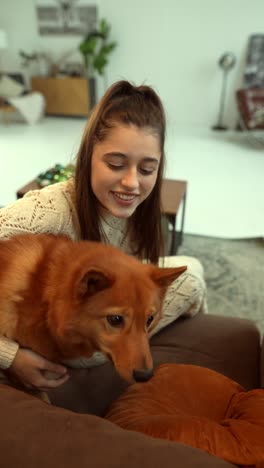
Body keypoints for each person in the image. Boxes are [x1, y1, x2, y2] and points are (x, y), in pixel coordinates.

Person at [0, 79, 207, 392]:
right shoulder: (49, 209)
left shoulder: (143, 214)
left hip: (101, 304)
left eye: (147, 169)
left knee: (190, 269)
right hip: (67, 334)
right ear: (88, 156)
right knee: (191, 278)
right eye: (115, 163)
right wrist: (11, 357)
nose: (131, 183)